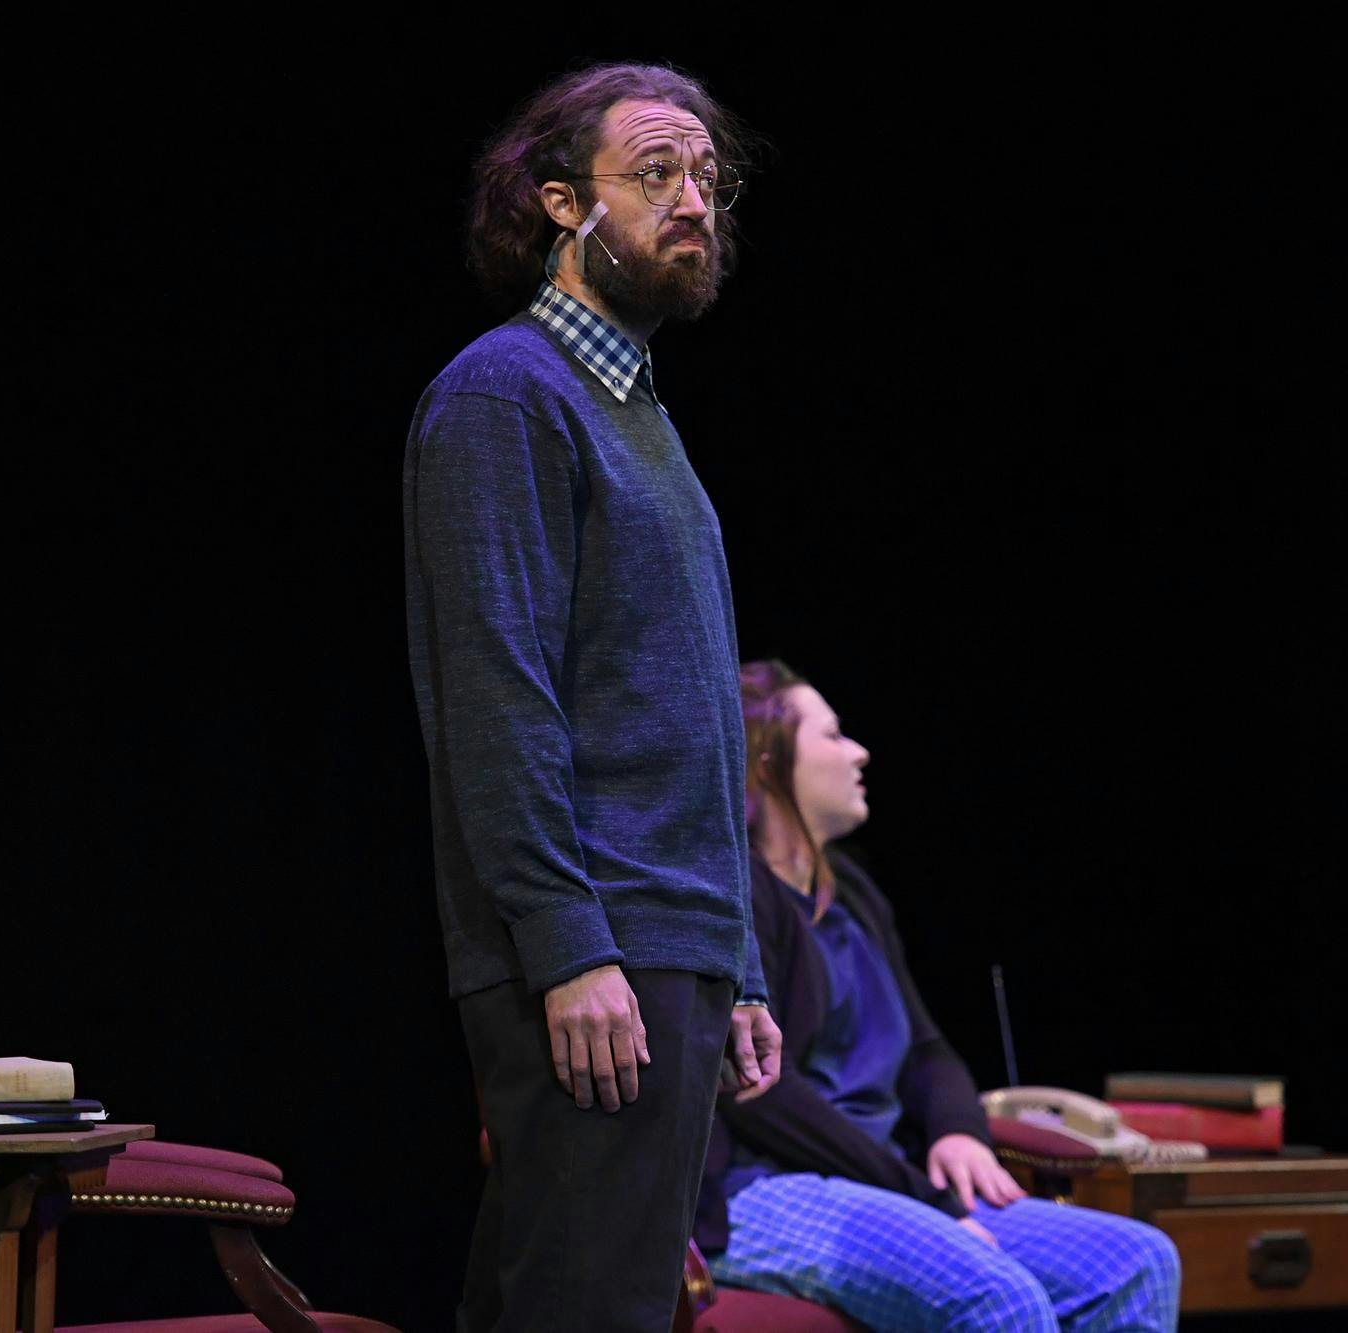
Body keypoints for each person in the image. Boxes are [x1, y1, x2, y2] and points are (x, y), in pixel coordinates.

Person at [403, 64, 782, 1332]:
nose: (694, 204)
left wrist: (736, 966)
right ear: (563, 205)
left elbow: (685, 716)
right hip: (594, 951)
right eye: (657, 174)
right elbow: (498, 698)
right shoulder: (506, 393)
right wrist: (569, 947)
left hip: (669, 946)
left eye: (707, 181)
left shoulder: (641, 417)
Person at [697, 660, 1181, 1331]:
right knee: (1000, 1297)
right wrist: (928, 1201)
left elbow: (925, 1048)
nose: (859, 751)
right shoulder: (740, 895)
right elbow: (758, 1094)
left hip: (884, 1179)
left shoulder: (855, 896)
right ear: (769, 761)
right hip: (765, 1185)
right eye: (834, 736)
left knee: (1139, 1260)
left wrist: (958, 1128)